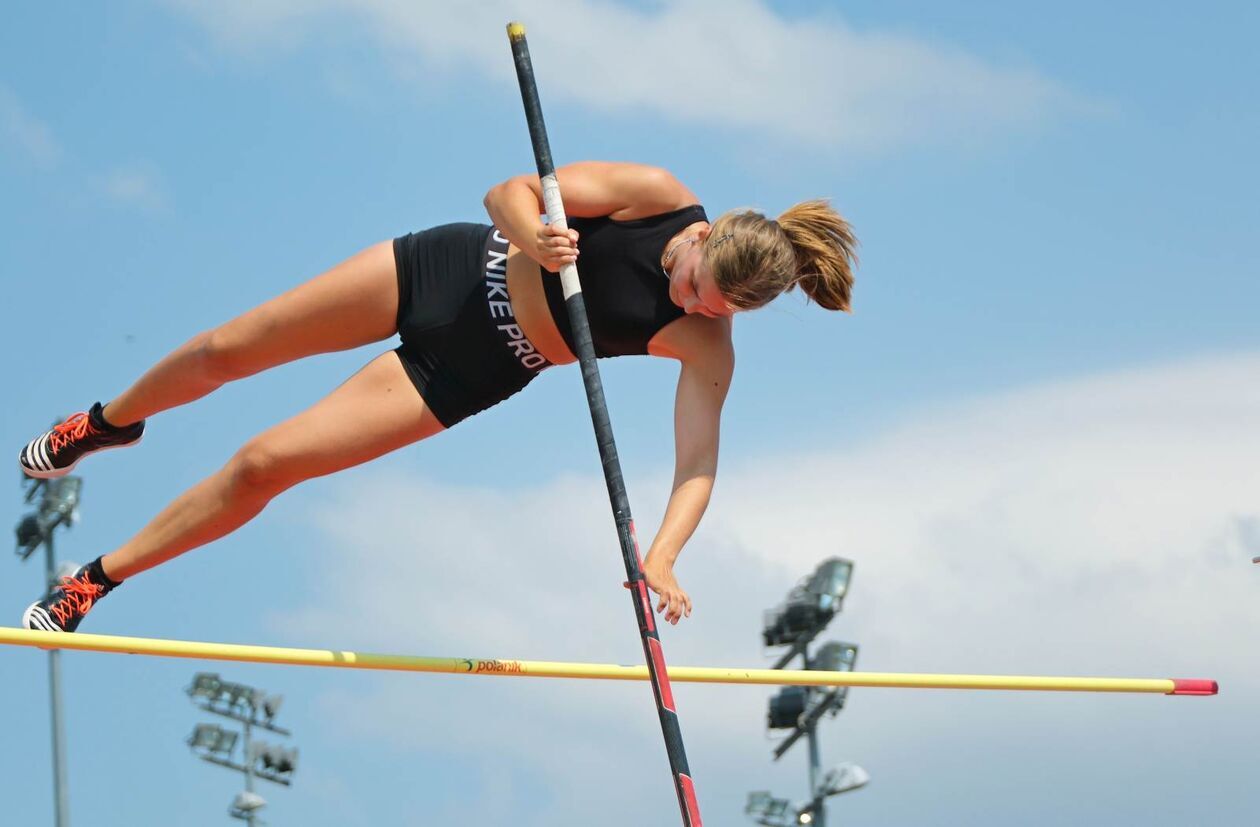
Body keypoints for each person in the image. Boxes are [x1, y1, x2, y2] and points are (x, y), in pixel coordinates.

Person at [17, 161, 857, 634]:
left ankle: (94, 580)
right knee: (228, 348)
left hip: (469, 370)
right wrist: (536, 233)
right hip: (450, 272)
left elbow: (697, 464)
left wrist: (665, 553)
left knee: (263, 465)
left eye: (714, 310)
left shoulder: (708, 343)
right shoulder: (655, 194)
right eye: (697, 286)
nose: (691, 306)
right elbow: (506, 192)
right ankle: (109, 421)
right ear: (703, 237)